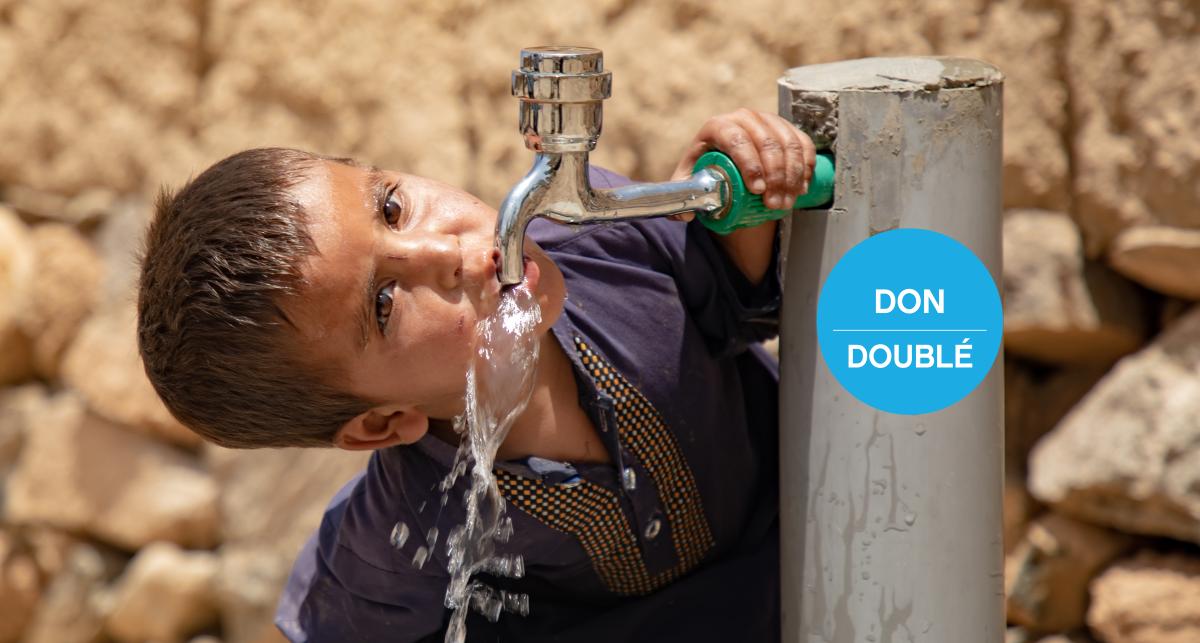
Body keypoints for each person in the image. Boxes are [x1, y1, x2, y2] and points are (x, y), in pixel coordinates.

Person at [137, 108, 815, 641]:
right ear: (381, 421)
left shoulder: (598, 235)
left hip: (840, 531)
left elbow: (735, 295)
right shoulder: (408, 527)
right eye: (384, 302)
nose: (443, 250)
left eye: (392, 207)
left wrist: (743, 179)